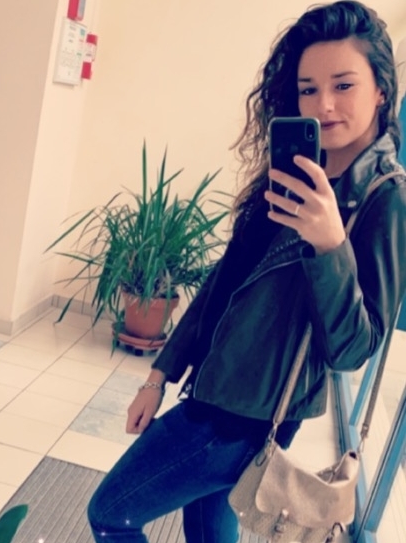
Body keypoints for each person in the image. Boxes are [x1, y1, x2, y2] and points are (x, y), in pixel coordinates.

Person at [87, 2, 406, 542]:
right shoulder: (298, 171)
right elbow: (226, 281)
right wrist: (159, 376)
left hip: (248, 416)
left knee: (111, 514)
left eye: (343, 85)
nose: (324, 105)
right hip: (214, 389)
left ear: (380, 90)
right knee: (208, 529)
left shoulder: (385, 199)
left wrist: (330, 244)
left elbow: (354, 350)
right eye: (308, 89)